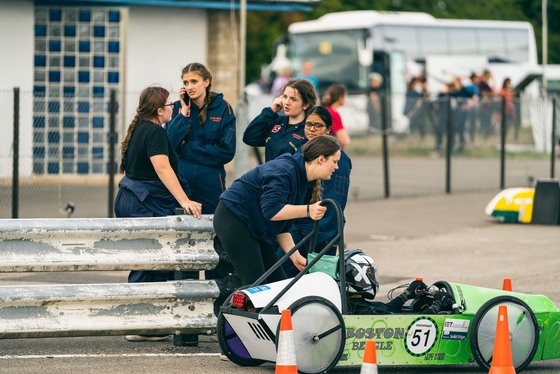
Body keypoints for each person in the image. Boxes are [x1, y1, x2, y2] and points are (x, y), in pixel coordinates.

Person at [115, 86, 202, 341]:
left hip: (131, 198)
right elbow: (163, 168)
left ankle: (143, 323)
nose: (173, 108)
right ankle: (144, 326)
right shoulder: (154, 131)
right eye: (170, 105)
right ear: (159, 110)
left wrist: (183, 111)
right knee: (150, 264)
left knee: (144, 262)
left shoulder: (143, 127)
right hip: (144, 202)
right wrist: (184, 200)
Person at [213, 135, 341, 285]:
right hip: (234, 218)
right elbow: (272, 211)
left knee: (277, 283)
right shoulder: (283, 170)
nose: (337, 167)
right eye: (334, 161)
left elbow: (282, 226)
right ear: (321, 159)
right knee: (256, 283)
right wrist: (308, 210)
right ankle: (243, 307)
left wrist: (295, 255)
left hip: (255, 225)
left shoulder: (303, 180)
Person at [276, 106, 352, 277]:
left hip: (320, 229)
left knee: (317, 278)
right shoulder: (302, 151)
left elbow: (335, 201)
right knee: (282, 273)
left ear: (328, 129)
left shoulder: (338, 159)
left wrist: (322, 233)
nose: (311, 129)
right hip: (297, 224)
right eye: (308, 124)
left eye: (317, 125)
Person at [166, 62, 236, 215]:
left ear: (206, 82)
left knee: (212, 227)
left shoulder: (224, 108)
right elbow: (169, 145)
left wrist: (187, 148)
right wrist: (184, 111)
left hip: (211, 182)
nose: (189, 87)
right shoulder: (178, 107)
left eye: (194, 82)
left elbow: (226, 152)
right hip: (182, 182)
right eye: (186, 82)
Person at [344, 250, 454, 315]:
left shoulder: (353, 304)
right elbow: (409, 322)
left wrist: (407, 294)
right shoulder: (365, 312)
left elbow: (386, 308)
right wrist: (436, 306)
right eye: (371, 274)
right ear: (359, 277)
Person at [243, 79, 317, 162]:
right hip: (267, 174)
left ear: (305, 105)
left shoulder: (308, 130)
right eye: (285, 97)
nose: (287, 102)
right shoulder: (277, 121)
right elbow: (249, 138)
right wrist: (270, 111)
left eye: (293, 99)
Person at [321, 84, 351, 150]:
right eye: (345, 96)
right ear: (340, 97)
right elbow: (345, 140)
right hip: (335, 151)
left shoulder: (325, 110)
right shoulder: (334, 114)